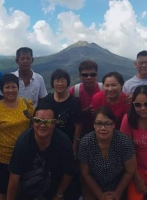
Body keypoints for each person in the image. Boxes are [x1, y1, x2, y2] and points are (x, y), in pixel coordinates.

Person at [7, 103, 76, 200]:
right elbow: (14, 176)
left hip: (54, 192)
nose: (42, 125)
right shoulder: (23, 141)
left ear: (54, 123)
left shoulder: (64, 142)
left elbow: (68, 173)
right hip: (26, 193)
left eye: (47, 121)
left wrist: (58, 195)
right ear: (32, 123)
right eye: (38, 121)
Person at [0, 74, 34, 200]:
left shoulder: (26, 104)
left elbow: (33, 125)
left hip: (25, 154)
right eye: (7, 87)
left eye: (13, 87)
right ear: (1, 89)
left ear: (18, 88)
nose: (10, 90)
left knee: (23, 187)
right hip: (2, 157)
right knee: (2, 188)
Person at [40, 69, 82, 200]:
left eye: (63, 80)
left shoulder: (74, 102)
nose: (60, 83)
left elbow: (78, 126)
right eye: (57, 80)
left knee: (67, 172)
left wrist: (74, 147)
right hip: (49, 143)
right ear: (52, 83)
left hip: (67, 144)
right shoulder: (47, 100)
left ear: (67, 82)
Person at [78, 106, 136, 200]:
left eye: (107, 124)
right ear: (94, 125)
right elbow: (86, 173)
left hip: (119, 185)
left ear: (113, 125)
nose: (103, 128)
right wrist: (100, 195)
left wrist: (117, 193)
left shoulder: (124, 142)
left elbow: (129, 171)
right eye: (99, 123)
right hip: (93, 185)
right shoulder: (86, 142)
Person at [69, 60, 103, 137]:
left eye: (92, 75)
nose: (89, 78)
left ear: (97, 75)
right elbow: (70, 115)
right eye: (85, 75)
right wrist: (86, 111)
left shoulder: (104, 89)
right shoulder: (74, 91)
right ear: (79, 76)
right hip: (79, 133)